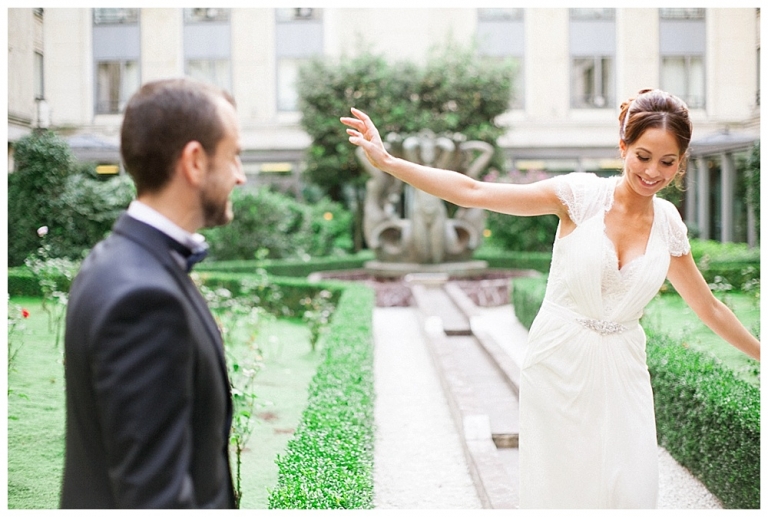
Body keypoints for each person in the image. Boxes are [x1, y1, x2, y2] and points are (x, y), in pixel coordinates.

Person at [341, 88, 760, 509]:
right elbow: (473, 191)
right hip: (559, 362)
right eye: (643, 156)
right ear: (623, 147)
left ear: (682, 162)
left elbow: (709, 306)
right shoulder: (580, 196)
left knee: (631, 486)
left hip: (625, 370)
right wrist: (388, 162)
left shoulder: (668, 223)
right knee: (564, 490)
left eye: (668, 162)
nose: (653, 172)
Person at [60, 77, 246, 509]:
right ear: (195, 162)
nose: (240, 176)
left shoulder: (114, 259)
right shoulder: (144, 300)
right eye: (234, 156)